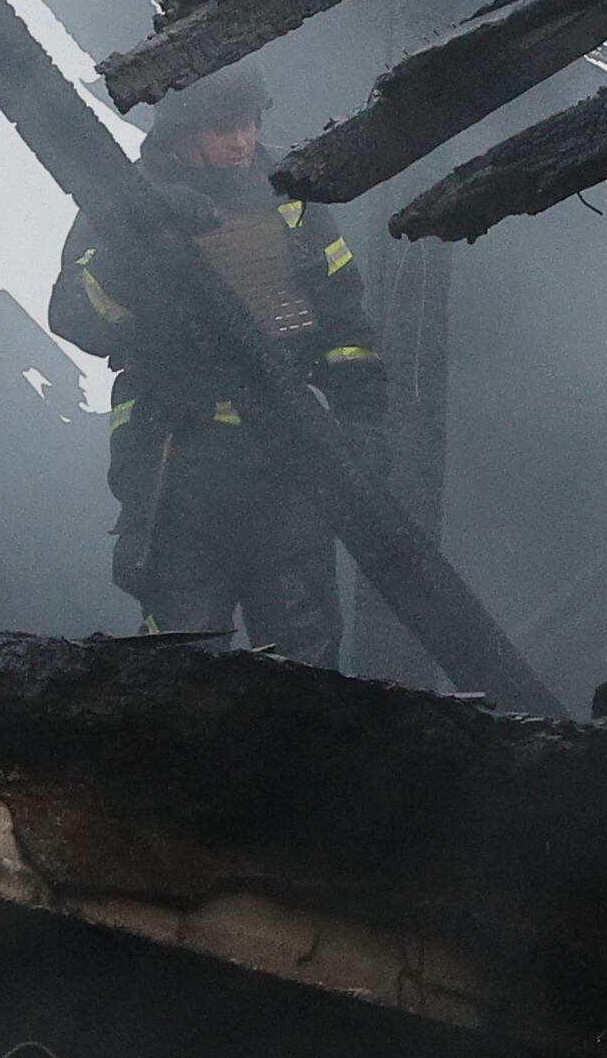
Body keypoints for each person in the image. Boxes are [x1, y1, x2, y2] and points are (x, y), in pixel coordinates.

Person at [47, 68, 384, 662]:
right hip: (177, 465)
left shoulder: (291, 194)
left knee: (305, 657)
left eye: (251, 123)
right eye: (225, 128)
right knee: (182, 653)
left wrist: (363, 420)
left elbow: (342, 319)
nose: (243, 141)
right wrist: (138, 247)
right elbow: (76, 316)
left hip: (288, 459)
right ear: (181, 133)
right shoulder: (127, 198)